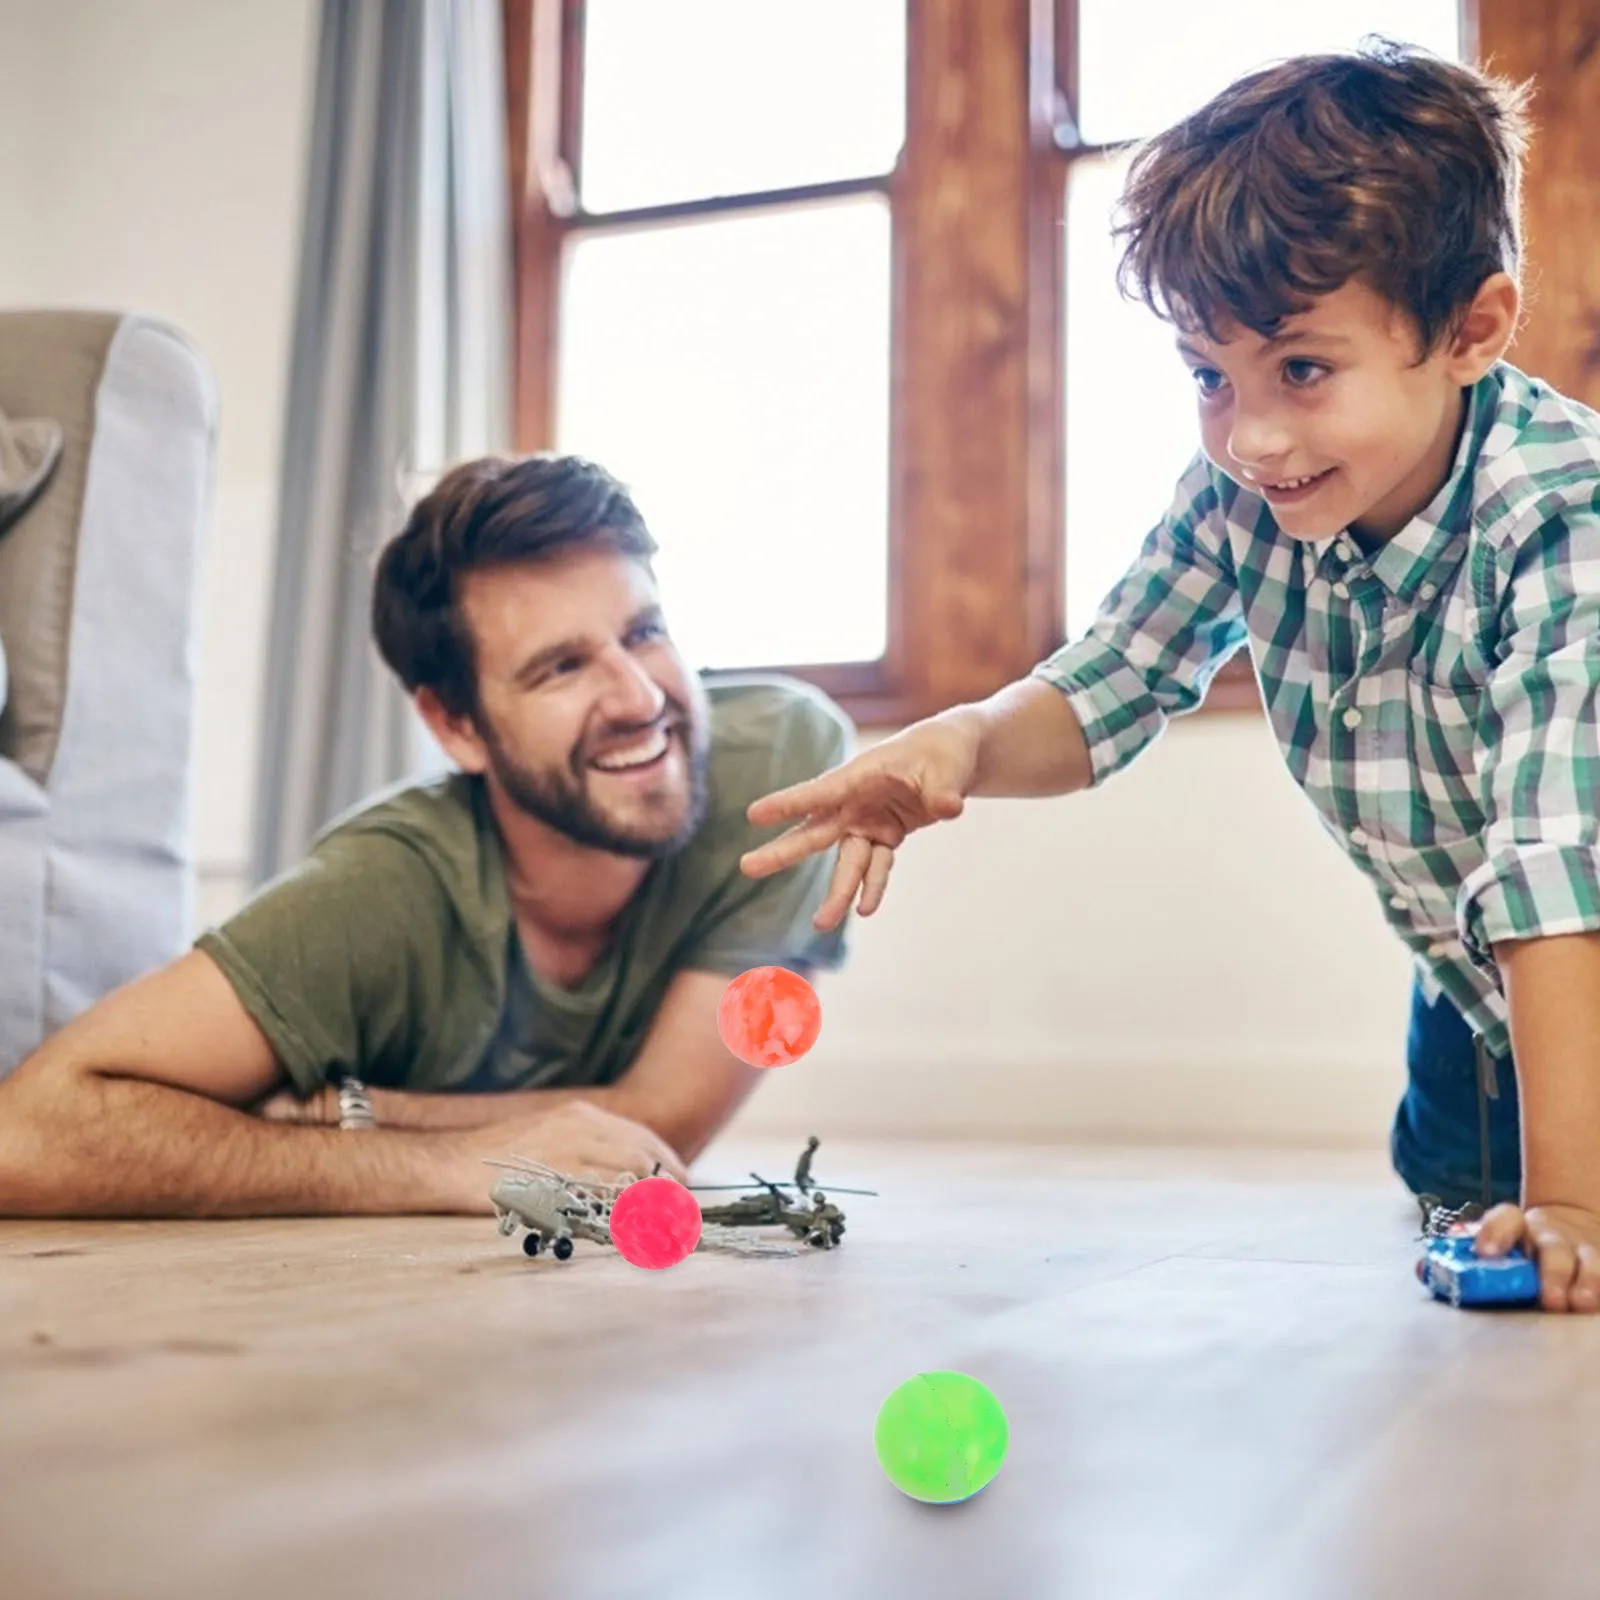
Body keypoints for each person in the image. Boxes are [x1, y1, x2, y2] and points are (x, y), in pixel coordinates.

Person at [741, 41, 1600, 1313]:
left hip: (1568, 937)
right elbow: (1110, 684)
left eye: (1302, 369)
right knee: (1455, 1211)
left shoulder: (1559, 513)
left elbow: (1553, 868)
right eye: (1210, 376)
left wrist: (1573, 1200)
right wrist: (964, 742)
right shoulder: (1245, 497)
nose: (1249, 435)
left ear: (1470, 327)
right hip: (1479, 998)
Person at [0, 454, 852, 1216]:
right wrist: (443, 1164)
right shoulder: (377, 894)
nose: (639, 698)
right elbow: (26, 1136)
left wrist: (345, 1112)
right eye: (562, 666)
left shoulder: (780, 773)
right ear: (456, 726)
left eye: (644, 632)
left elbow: (663, 1126)